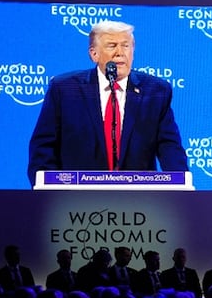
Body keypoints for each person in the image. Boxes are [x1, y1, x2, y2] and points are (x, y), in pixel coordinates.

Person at [26, 19, 188, 185]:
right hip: (76, 201)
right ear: (94, 54)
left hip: (138, 201)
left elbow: (170, 147)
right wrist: (48, 191)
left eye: (126, 45)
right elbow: (43, 147)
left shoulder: (156, 91)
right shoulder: (65, 89)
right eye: (112, 45)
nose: (120, 52)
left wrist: (180, 188)